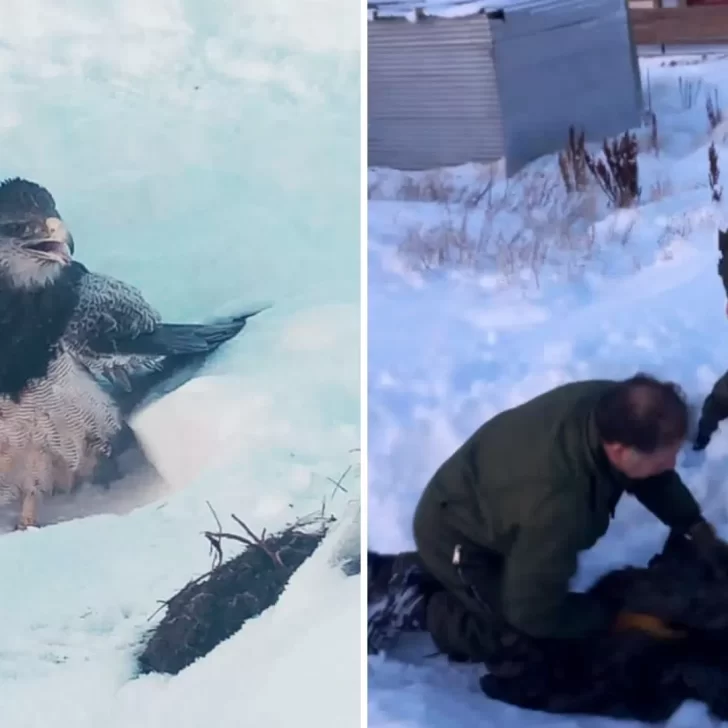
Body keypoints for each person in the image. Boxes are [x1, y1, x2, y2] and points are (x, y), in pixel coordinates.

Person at [368, 374, 728, 662]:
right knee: (517, 637)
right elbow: (534, 613)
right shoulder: (562, 507)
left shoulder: (613, 407)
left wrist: (691, 523)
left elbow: (649, 473)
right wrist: (613, 619)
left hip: (492, 502)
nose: (672, 464)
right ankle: (419, 601)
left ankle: (433, 571)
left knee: (531, 577)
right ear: (619, 450)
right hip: (458, 535)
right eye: (665, 457)